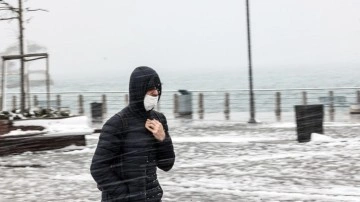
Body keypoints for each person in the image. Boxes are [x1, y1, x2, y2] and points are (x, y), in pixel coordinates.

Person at [90, 66, 175, 202]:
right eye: (150, 88)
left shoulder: (159, 120)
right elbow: (98, 168)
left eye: (158, 88)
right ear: (138, 90)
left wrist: (163, 139)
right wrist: (126, 196)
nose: (155, 93)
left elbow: (167, 165)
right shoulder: (117, 123)